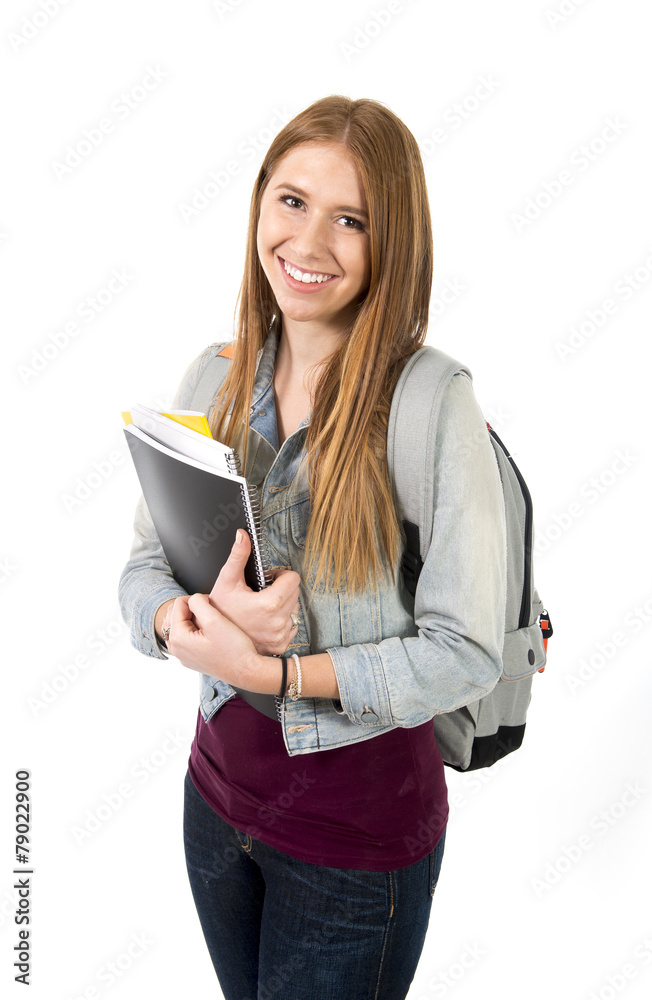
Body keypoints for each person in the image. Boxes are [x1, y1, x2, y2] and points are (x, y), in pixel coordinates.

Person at [118, 94, 506, 1000]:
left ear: (391, 244)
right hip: (214, 807)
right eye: (292, 201)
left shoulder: (430, 405)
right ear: (259, 204)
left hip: (355, 852)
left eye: (351, 220)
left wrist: (271, 673)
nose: (310, 242)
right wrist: (191, 620)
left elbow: (468, 649)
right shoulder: (215, 373)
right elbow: (142, 568)